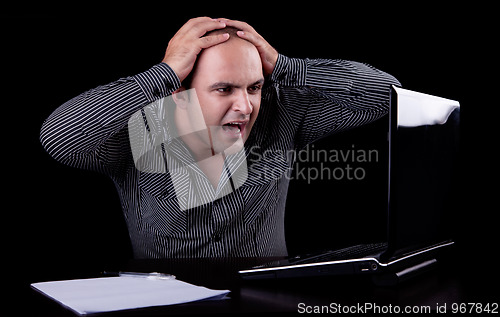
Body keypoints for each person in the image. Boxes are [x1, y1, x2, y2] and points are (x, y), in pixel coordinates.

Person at [40, 17, 400, 258]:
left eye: (254, 87)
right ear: (180, 90)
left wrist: (286, 66)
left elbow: (389, 94)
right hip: (164, 307)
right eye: (223, 89)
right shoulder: (145, 127)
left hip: (267, 302)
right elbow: (59, 136)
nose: (244, 106)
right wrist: (163, 73)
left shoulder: (281, 112)